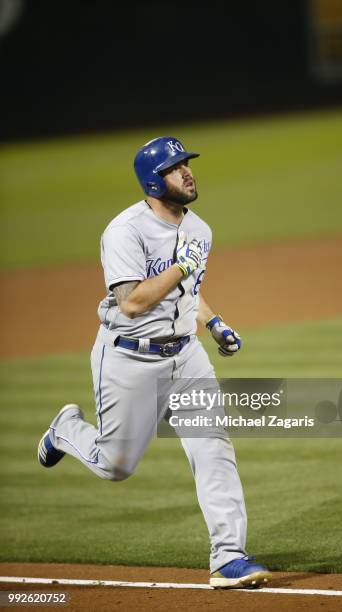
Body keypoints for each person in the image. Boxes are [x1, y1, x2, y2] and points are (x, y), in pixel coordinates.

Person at [37, 136, 272, 589]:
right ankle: (65, 429)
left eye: (186, 164)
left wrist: (214, 321)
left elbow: (188, 291)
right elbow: (132, 303)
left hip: (186, 357)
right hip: (129, 360)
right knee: (116, 465)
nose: (187, 172)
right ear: (152, 180)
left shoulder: (200, 230)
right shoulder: (125, 231)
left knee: (214, 449)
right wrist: (181, 268)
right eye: (174, 168)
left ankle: (228, 556)